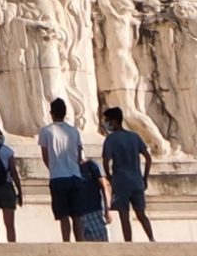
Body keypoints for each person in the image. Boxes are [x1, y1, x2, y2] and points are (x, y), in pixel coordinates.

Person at [99, 104, 158, 243]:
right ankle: (151, 238)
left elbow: (106, 161)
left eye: (108, 120)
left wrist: (109, 177)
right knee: (141, 213)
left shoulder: (111, 140)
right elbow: (148, 158)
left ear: (114, 121)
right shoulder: (134, 137)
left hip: (121, 181)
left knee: (124, 215)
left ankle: (128, 242)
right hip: (137, 180)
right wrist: (145, 177)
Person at [39, 96, 88, 242]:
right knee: (77, 215)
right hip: (75, 174)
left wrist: (53, 168)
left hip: (58, 176)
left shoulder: (46, 131)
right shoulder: (74, 131)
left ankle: (66, 242)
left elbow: (45, 155)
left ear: (51, 113)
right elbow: (79, 154)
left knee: (63, 215)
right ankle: (80, 241)